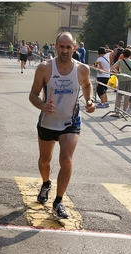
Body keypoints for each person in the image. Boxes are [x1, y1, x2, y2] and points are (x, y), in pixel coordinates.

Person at [28, 31, 95, 218]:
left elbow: (87, 85)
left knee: (66, 160)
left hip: (70, 122)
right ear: (55, 47)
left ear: (74, 48)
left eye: (68, 47)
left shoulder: (82, 69)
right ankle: (46, 183)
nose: (65, 50)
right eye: (61, 47)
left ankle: (58, 201)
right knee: (44, 161)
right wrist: (42, 105)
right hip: (48, 122)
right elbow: (32, 95)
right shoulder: (44, 68)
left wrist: (89, 101)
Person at [110, 48, 131, 117]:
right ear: (130, 55)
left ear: (123, 54)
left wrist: (118, 72)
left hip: (122, 79)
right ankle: (124, 113)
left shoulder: (120, 61)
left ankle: (117, 112)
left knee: (119, 97)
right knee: (127, 97)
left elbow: (113, 67)